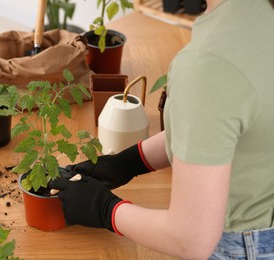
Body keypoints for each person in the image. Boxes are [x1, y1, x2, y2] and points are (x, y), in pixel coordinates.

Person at [49, 0, 274, 259]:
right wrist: (129, 162)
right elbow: (222, 130)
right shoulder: (259, 13)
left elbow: (190, 239)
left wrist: (105, 209)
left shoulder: (210, 62)